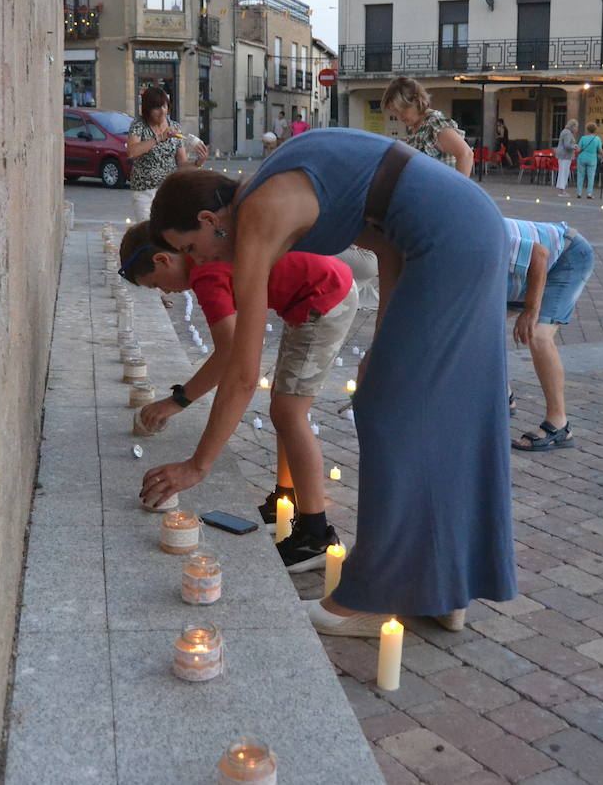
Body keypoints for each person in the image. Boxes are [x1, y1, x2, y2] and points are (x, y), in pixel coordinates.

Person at [141, 131, 517, 636]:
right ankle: (443, 586)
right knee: (429, 410)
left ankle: (373, 597)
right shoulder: (264, 190)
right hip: (463, 225)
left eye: (192, 248)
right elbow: (387, 246)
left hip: (452, 237)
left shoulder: (259, 214)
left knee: (388, 416)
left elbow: (244, 371)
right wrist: (383, 344)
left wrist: (197, 465)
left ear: (210, 220)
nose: (201, 262)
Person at [118, 221, 358, 571]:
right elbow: (230, 352)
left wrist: (197, 463)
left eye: (157, 284)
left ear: (162, 260)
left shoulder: (205, 273)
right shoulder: (205, 261)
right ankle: (285, 502)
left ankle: (316, 536)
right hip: (314, 294)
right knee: (283, 408)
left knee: (289, 413)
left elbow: (235, 363)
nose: (166, 292)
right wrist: (179, 401)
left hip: (325, 297)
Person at [505, 218, 595, 452]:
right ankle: (503, 396)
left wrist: (530, 310)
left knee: (538, 334)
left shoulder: (474, 232)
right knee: (481, 325)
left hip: (566, 256)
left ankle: (559, 425)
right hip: (527, 271)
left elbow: (539, 254)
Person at [126, 87, 207, 221]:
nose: (162, 111)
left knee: (169, 229)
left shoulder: (175, 128)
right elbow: (132, 152)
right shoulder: (139, 125)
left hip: (168, 190)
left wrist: (198, 162)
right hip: (144, 191)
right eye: (157, 108)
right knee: (149, 229)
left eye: (164, 106)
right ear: (147, 109)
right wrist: (159, 138)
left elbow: (182, 164)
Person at [381, 76, 474, 177]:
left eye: (403, 110)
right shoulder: (414, 129)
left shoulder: (434, 124)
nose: (399, 117)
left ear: (416, 100)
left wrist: (457, 187)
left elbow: (466, 154)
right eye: (395, 112)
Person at [575, 122, 603, 198]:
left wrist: (575, 147)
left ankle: (579, 193)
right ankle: (589, 194)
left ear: (587, 129)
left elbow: (578, 150)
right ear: (595, 130)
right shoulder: (597, 139)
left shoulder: (583, 138)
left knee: (580, 175)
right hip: (592, 159)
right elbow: (600, 150)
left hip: (582, 158)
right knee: (591, 177)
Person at [553, 119, 579, 196]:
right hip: (565, 155)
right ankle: (562, 190)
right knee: (564, 172)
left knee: (563, 172)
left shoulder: (565, 132)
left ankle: (562, 189)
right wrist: (575, 147)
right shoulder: (567, 133)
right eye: (576, 127)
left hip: (564, 155)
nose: (576, 129)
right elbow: (567, 145)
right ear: (572, 126)